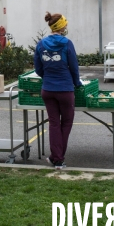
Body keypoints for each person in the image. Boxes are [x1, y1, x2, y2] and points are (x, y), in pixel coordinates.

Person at [34, 12, 81, 170]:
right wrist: (77, 83)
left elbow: (38, 68)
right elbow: (74, 67)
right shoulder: (67, 44)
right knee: (66, 123)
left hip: (48, 89)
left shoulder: (41, 44)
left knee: (54, 124)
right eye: (65, 25)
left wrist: (48, 76)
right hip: (65, 89)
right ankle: (59, 159)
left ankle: (56, 157)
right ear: (61, 27)